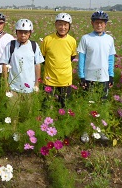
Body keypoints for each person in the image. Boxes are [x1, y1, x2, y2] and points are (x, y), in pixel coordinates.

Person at [77, 11, 115, 142]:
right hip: (89, 77)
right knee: (88, 104)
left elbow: (111, 59)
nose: (99, 25)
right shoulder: (85, 38)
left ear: (105, 25)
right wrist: (81, 76)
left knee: (102, 105)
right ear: (92, 23)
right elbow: (81, 59)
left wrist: (111, 75)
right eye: (97, 22)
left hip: (103, 78)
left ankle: (100, 130)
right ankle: (86, 131)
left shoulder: (109, 39)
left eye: (102, 23)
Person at [41, 13, 77, 107]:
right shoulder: (48, 39)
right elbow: (43, 58)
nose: (62, 27)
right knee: (46, 106)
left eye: (65, 25)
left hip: (65, 80)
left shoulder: (72, 41)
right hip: (49, 80)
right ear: (55, 25)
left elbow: (72, 57)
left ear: (69, 26)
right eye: (60, 24)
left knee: (64, 106)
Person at [0, 19, 44, 94]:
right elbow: (4, 65)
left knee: (28, 105)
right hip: (13, 88)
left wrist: (37, 84)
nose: (23, 35)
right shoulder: (10, 45)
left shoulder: (34, 45)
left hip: (30, 88)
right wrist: (6, 84)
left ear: (30, 33)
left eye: (26, 32)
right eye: (20, 32)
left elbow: (37, 65)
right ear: (16, 32)